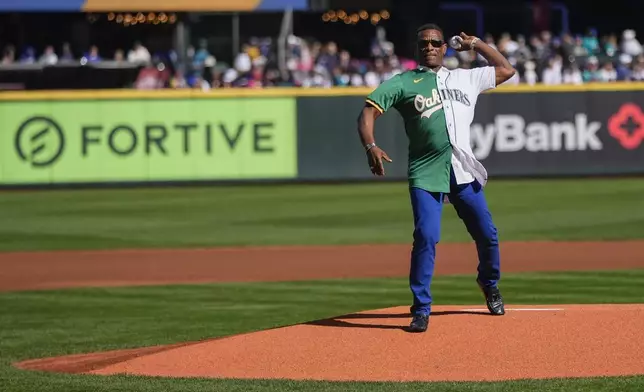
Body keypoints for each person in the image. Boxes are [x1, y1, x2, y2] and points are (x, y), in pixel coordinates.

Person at [356, 23, 516, 333]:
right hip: (426, 171)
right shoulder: (404, 82)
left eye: (435, 42)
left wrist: (477, 44)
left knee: (487, 234)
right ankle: (421, 309)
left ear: (445, 47)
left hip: (463, 170)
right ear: (417, 49)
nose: (429, 47)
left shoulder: (464, 79)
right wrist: (371, 145)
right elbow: (367, 112)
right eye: (424, 43)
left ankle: (489, 283)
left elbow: (506, 69)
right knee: (426, 237)